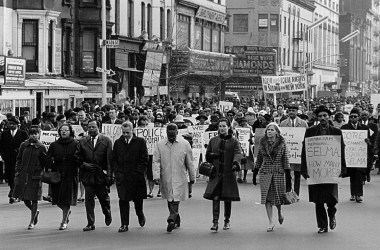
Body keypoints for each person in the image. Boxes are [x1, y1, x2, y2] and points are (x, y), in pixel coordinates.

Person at [301, 105, 347, 234]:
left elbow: (341, 151)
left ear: (329, 117)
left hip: (331, 170)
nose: (322, 118)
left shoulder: (336, 132)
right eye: (320, 116)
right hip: (315, 171)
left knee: (331, 198)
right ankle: (322, 225)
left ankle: (332, 213)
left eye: (325, 116)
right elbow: (305, 151)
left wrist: (343, 168)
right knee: (318, 199)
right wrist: (304, 169)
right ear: (317, 117)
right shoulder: (310, 131)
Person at [152, 123, 195, 232]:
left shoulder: (185, 144)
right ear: (166, 133)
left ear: (177, 133)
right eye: (169, 134)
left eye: (173, 134)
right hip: (166, 176)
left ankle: (171, 219)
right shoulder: (160, 144)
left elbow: (190, 161)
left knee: (175, 197)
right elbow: (156, 161)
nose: (171, 136)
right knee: (170, 198)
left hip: (180, 176)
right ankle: (176, 219)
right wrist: (156, 175)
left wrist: (192, 176)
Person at [203, 118, 242, 232]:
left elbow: (237, 152)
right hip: (216, 173)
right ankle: (215, 222)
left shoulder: (234, 141)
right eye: (220, 126)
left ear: (229, 127)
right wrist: (212, 155)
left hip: (228, 173)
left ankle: (226, 220)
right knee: (215, 197)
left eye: (224, 126)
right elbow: (207, 154)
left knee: (227, 198)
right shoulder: (213, 140)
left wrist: (236, 163)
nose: (222, 128)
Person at [74, 119, 113, 232]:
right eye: (89, 127)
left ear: (98, 128)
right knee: (89, 200)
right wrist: (84, 165)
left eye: (93, 127)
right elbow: (77, 158)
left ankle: (107, 213)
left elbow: (109, 160)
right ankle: (90, 223)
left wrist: (110, 176)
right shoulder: (82, 142)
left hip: (101, 175)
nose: (90, 129)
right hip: (88, 175)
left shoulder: (106, 141)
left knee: (103, 199)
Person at [112, 121, 149, 232]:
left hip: (136, 177)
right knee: (123, 200)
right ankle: (124, 224)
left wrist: (138, 171)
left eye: (127, 132)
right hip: (123, 177)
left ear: (132, 130)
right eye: (123, 133)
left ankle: (140, 214)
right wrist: (117, 172)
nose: (125, 135)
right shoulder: (118, 143)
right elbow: (114, 159)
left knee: (137, 200)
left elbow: (144, 158)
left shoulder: (140, 142)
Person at [255, 122, 291, 232]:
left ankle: (280, 212)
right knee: (267, 198)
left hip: (278, 172)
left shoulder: (282, 143)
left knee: (278, 197)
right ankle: (270, 221)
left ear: (277, 132)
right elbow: (260, 158)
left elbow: (285, 159)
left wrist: (288, 175)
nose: (269, 131)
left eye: (272, 130)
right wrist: (256, 170)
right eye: (268, 130)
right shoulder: (262, 142)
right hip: (265, 172)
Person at [13, 126, 47, 229]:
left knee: (34, 199)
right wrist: (18, 170)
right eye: (32, 133)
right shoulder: (24, 145)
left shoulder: (41, 147)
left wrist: (40, 172)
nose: (34, 135)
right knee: (24, 198)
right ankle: (35, 211)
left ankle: (32, 221)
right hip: (23, 175)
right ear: (29, 134)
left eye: (36, 133)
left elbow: (44, 162)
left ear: (39, 134)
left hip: (35, 176)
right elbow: (18, 158)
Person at [47, 124, 79, 230]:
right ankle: (67, 212)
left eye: (66, 130)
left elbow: (80, 158)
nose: (63, 132)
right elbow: (48, 158)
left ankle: (64, 221)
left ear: (70, 132)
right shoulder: (54, 145)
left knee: (66, 199)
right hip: (57, 175)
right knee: (57, 200)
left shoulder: (75, 144)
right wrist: (50, 163)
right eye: (61, 130)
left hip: (70, 174)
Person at [341, 108, 369, 203]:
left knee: (359, 175)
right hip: (349, 156)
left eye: (355, 116)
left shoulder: (365, 128)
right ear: (349, 117)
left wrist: (368, 142)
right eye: (351, 116)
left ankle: (359, 195)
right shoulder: (344, 128)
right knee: (352, 175)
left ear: (359, 117)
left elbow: (370, 141)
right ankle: (353, 193)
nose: (353, 118)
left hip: (360, 156)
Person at [279, 104, 308, 196]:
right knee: (287, 174)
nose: (291, 112)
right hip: (287, 152)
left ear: (297, 112)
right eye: (290, 110)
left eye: (293, 110)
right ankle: (288, 193)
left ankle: (296, 193)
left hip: (298, 152)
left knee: (297, 174)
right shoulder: (283, 123)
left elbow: (307, 136)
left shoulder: (303, 123)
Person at [0, 116, 29, 203]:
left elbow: (26, 144)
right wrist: (3, 156)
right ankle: (13, 190)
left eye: (13, 124)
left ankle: (13, 193)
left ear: (17, 125)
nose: (11, 125)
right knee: (9, 175)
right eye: (9, 124)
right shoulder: (5, 134)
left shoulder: (23, 133)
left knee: (16, 175)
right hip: (8, 159)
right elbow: (1, 146)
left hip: (19, 159)